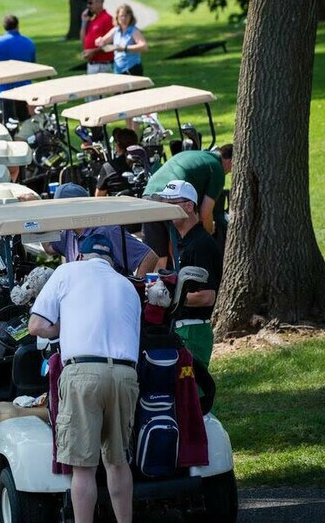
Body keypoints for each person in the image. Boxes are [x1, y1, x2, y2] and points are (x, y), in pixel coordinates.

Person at [28, 234, 140, 523]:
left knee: (83, 467)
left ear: (80, 256)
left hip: (83, 373)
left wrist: (63, 327)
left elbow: (36, 325)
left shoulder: (67, 271)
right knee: (117, 462)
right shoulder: (127, 285)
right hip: (125, 374)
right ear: (110, 260)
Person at [150, 181, 222, 368]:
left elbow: (207, 296)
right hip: (183, 328)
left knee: (192, 392)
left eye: (171, 204)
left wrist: (171, 298)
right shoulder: (184, 242)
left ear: (189, 206)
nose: (166, 209)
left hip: (193, 331)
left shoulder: (200, 245)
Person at [141, 145, 233, 266]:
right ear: (232, 161)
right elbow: (205, 213)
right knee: (179, 251)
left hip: (149, 195)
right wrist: (209, 236)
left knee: (158, 257)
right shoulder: (217, 169)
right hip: (174, 199)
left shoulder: (199, 155)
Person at [43, 183, 158, 277]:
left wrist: (136, 292)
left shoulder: (108, 230)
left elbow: (149, 257)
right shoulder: (69, 232)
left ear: (73, 209)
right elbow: (49, 248)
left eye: (59, 208)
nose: (56, 214)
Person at [0, 14, 35, 120]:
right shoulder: (28, 42)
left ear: (4, 26)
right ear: (17, 25)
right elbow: (33, 64)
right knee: (25, 120)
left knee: (7, 121)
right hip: (24, 87)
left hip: (4, 88)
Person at [95, 4, 147, 76]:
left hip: (132, 68)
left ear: (131, 17)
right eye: (121, 16)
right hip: (118, 70)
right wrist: (99, 41)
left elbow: (144, 46)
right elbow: (103, 41)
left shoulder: (134, 31)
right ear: (117, 17)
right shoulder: (116, 31)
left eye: (126, 16)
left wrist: (124, 48)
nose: (124, 18)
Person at [95, 128, 139, 196]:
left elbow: (99, 196)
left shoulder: (108, 167)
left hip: (117, 205)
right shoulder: (145, 164)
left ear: (118, 146)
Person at [81, 0, 115, 74]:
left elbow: (112, 44)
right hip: (92, 65)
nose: (88, 6)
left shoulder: (107, 18)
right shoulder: (93, 20)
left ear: (99, 2)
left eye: (90, 3)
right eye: (87, 3)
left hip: (103, 65)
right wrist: (84, 23)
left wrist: (93, 51)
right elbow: (84, 41)